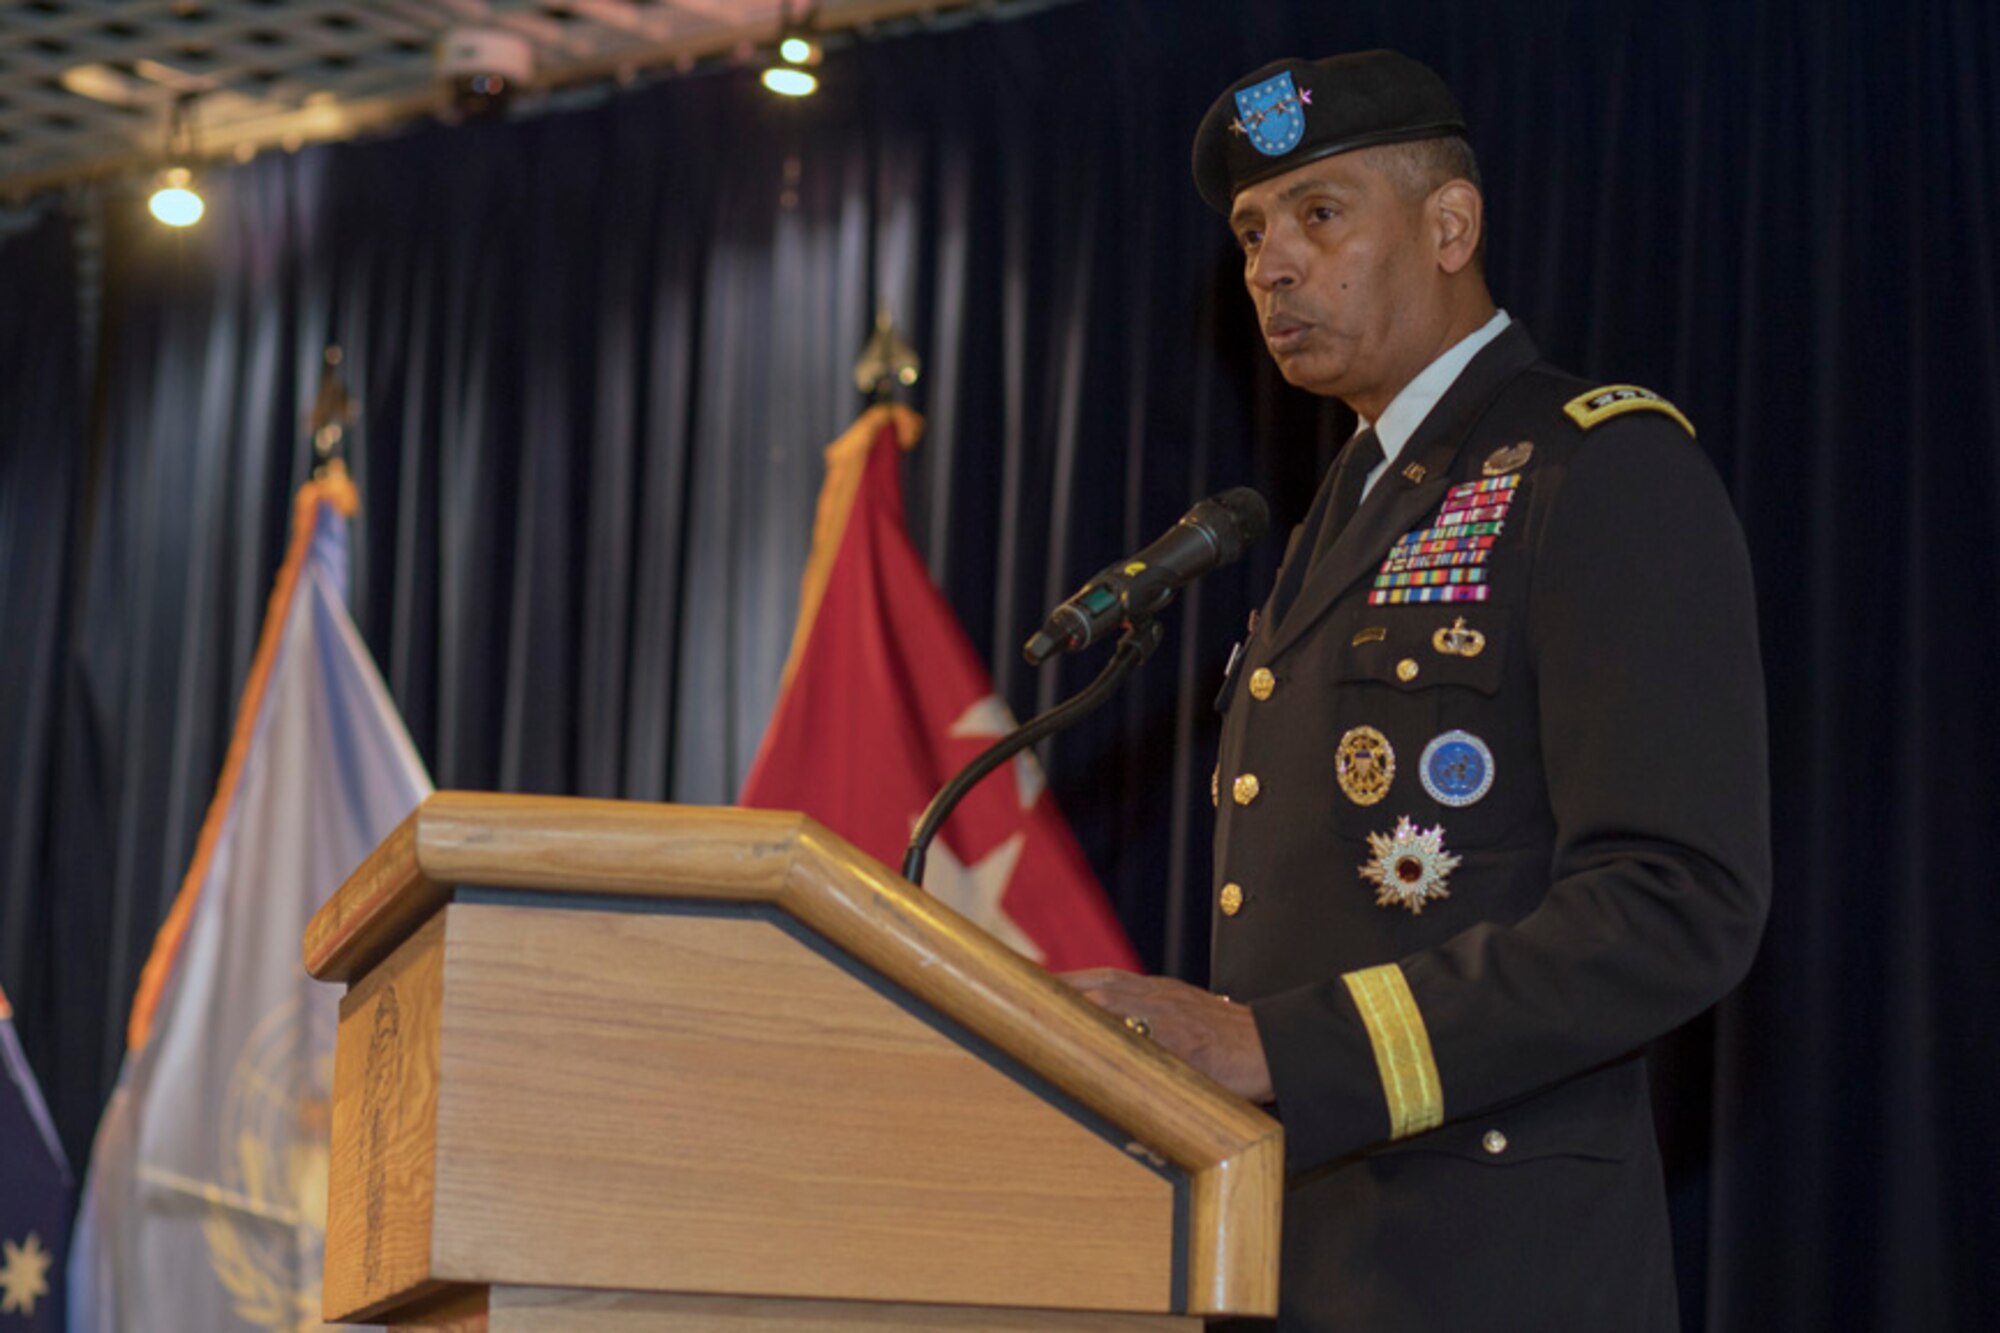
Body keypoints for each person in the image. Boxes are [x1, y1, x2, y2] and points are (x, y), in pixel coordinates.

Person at [1062, 49, 1771, 1331]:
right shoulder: (1347, 506)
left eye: (1316, 215)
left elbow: (1678, 903)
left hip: (1496, 1263)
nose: (1269, 264)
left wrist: (1280, 1048)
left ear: (1449, 226)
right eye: (1248, 230)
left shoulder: (1593, 471)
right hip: (1307, 1248)